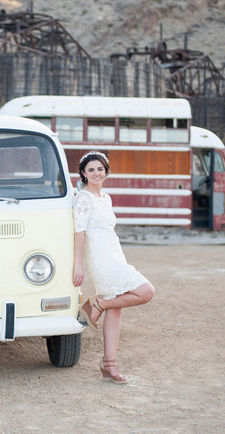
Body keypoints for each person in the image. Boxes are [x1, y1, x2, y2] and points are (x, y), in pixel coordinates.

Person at [72, 151, 155, 384]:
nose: (96, 173)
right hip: (102, 259)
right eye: (91, 170)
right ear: (83, 174)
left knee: (116, 309)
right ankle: (99, 303)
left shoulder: (105, 198)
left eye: (100, 169)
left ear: (106, 171)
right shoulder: (83, 198)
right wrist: (79, 265)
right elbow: (79, 232)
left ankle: (109, 364)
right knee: (146, 291)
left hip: (116, 255)